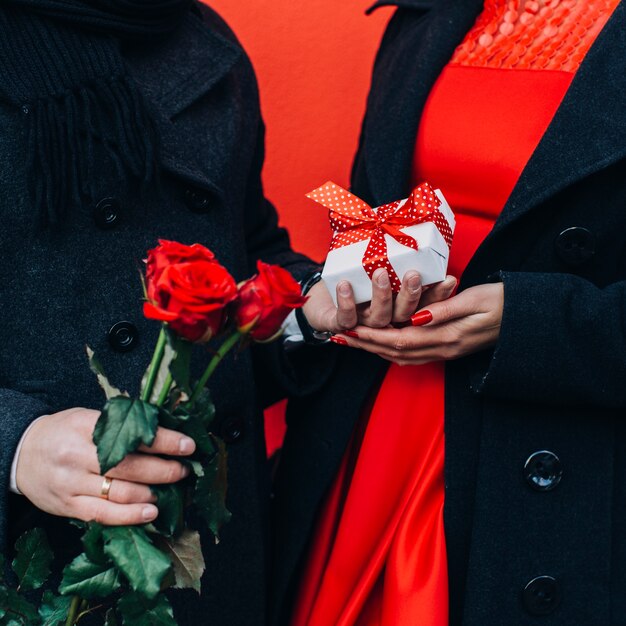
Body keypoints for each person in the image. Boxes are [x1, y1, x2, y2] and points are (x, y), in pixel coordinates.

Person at [271, 0, 626, 624]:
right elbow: (378, 209)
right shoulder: (430, 15)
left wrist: (536, 322)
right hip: (379, 417)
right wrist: (355, 287)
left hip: (556, 449)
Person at [0, 1, 349, 623]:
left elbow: (245, 256)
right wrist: (17, 449)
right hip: (34, 566)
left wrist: (313, 307)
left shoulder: (200, 37)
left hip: (210, 566)